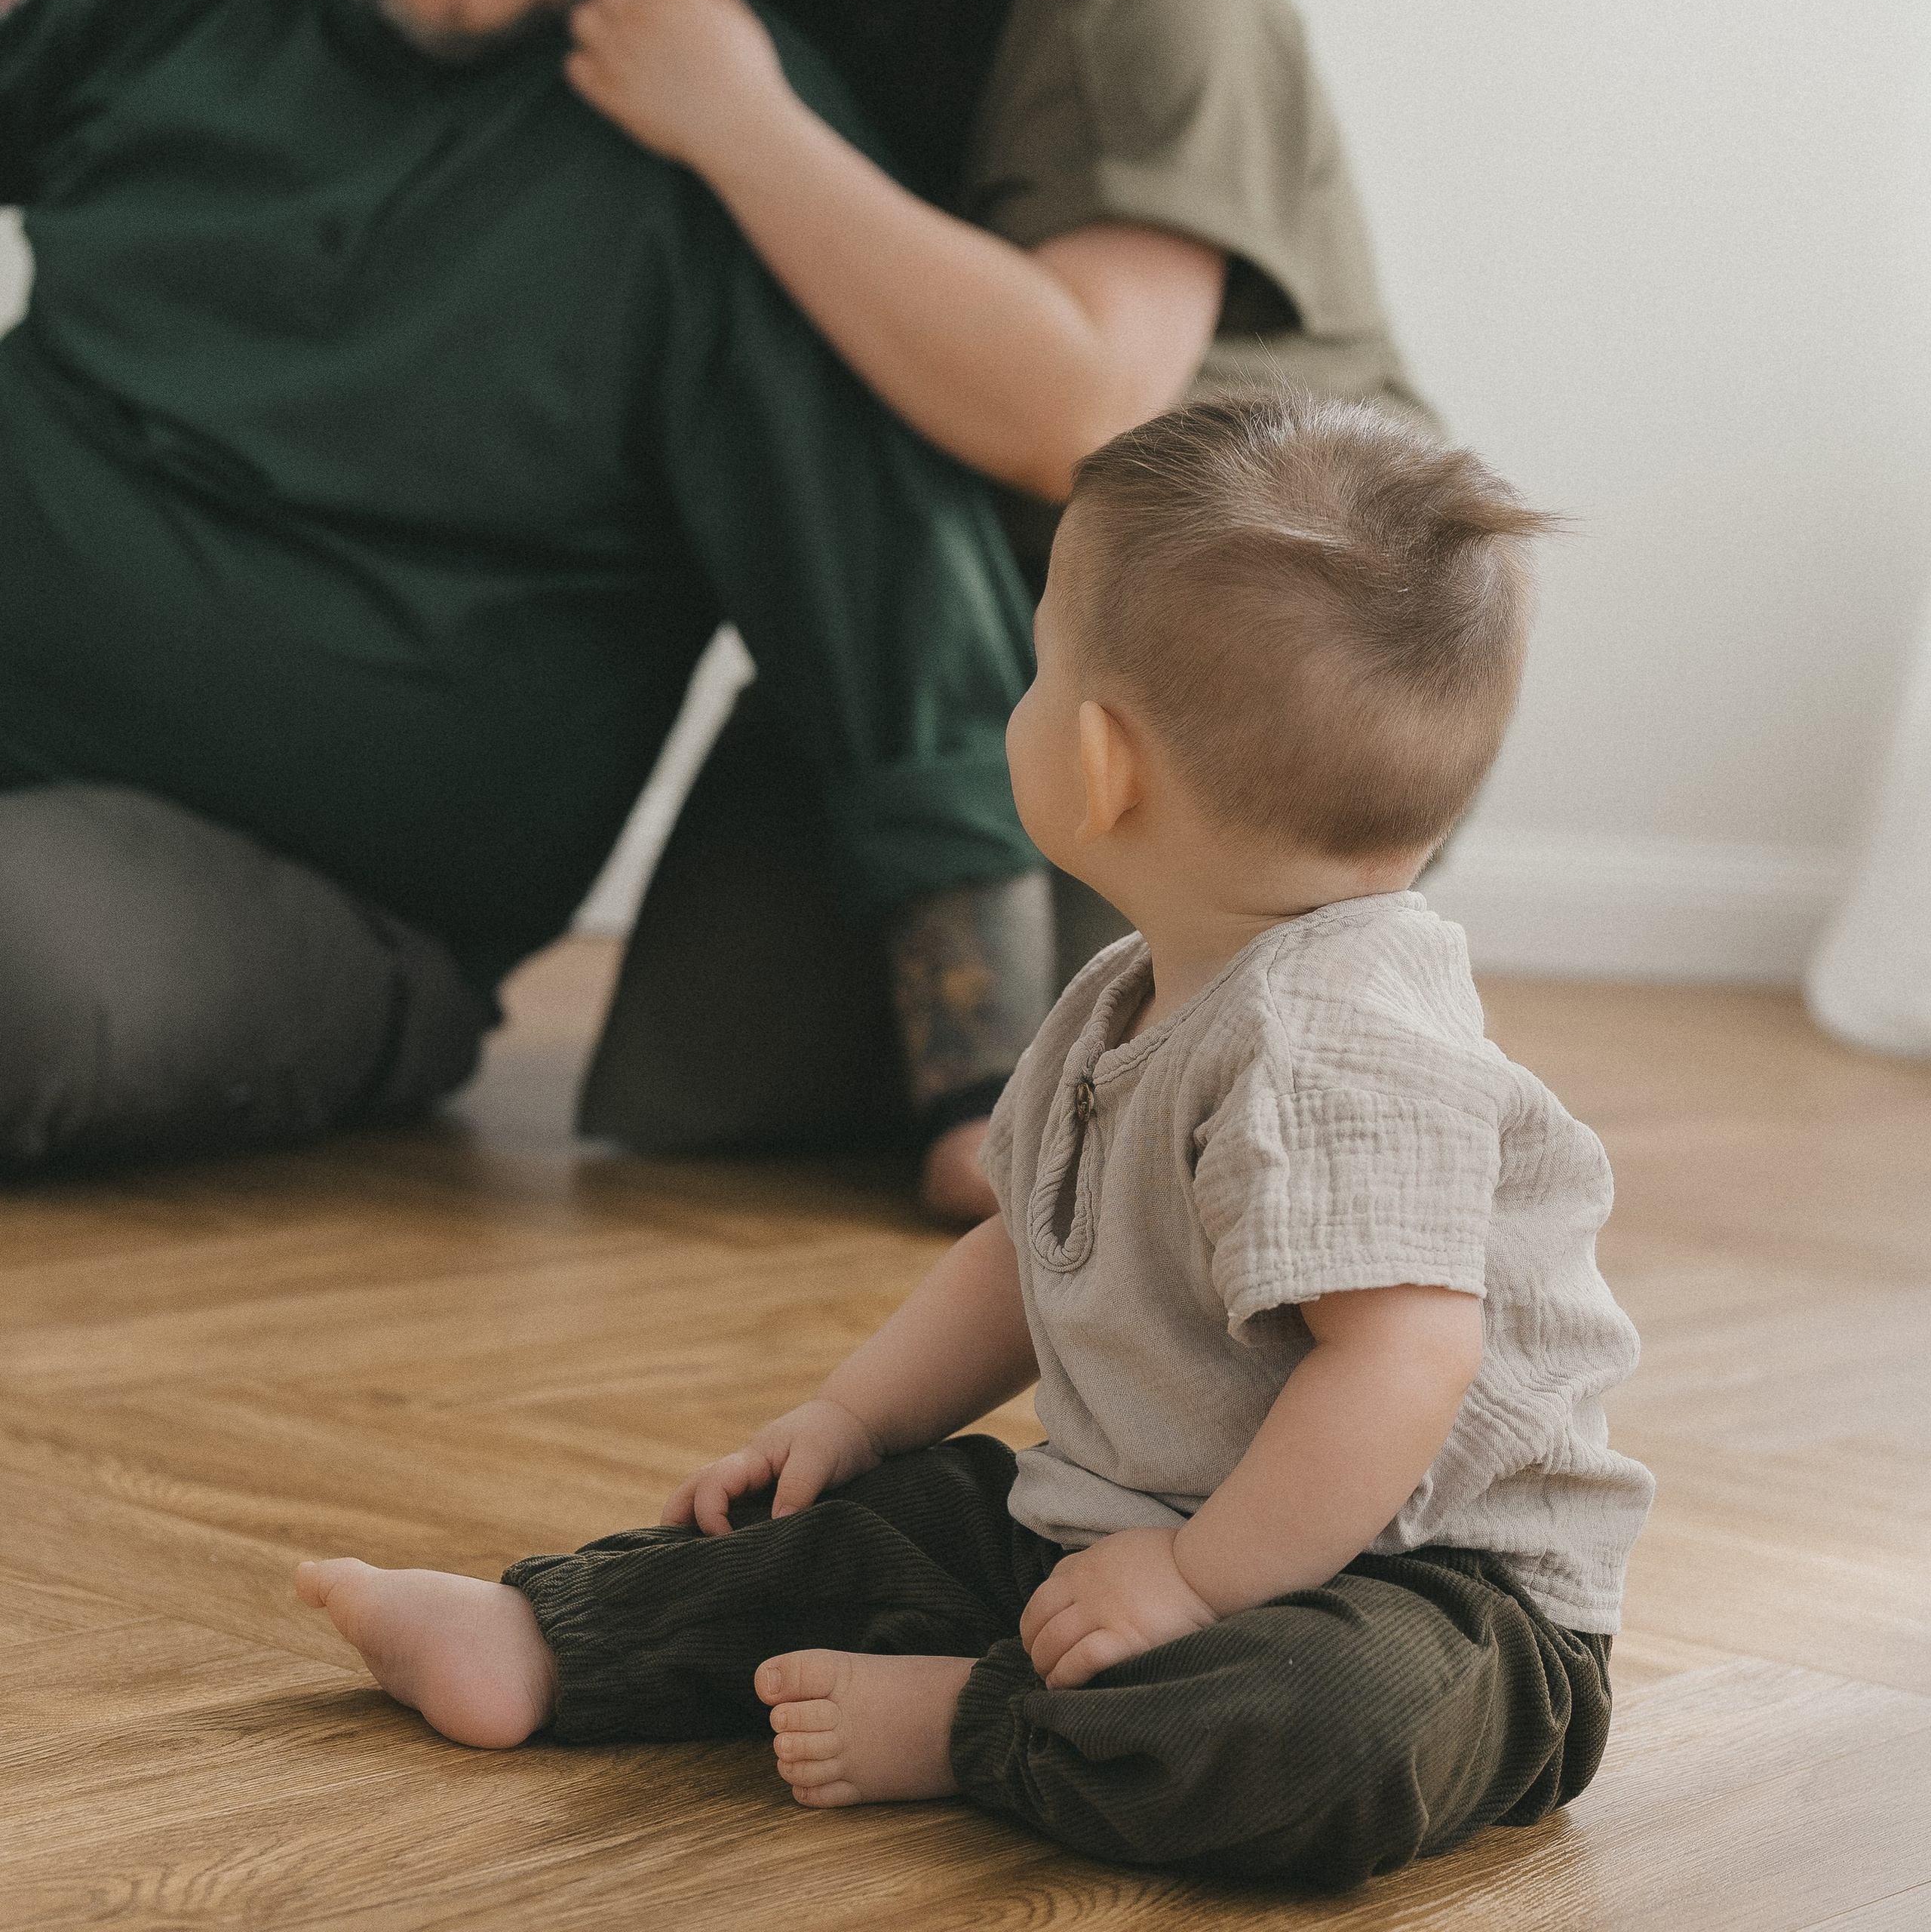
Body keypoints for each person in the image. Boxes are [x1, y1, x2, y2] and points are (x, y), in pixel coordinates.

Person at [0, 0, 1434, 1161]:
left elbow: (1031, 448)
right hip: (1014, 595)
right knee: (703, 1076)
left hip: (1250, 629)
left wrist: (982, 1083)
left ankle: (1277, 1033)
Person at [290, 393, 1653, 1893]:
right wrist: (852, 1416)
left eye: (1033, 664)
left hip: (1426, 1592)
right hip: (1135, 1526)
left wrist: (1199, 1582)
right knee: (876, 1525)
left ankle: (976, 1728)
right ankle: (552, 1641)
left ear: (1097, 761)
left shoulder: (1343, 1046)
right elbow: (1026, 1242)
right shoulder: (1128, 994)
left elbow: (1400, 1363)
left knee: (1329, 1729)